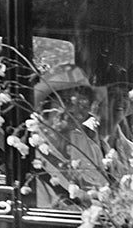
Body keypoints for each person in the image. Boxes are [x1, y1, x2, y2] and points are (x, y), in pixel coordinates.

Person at [33, 63, 109, 202]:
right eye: (66, 101)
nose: (73, 110)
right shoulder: (30, 146)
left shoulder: (90, 147)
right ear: (46, 103)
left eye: (82, 103)